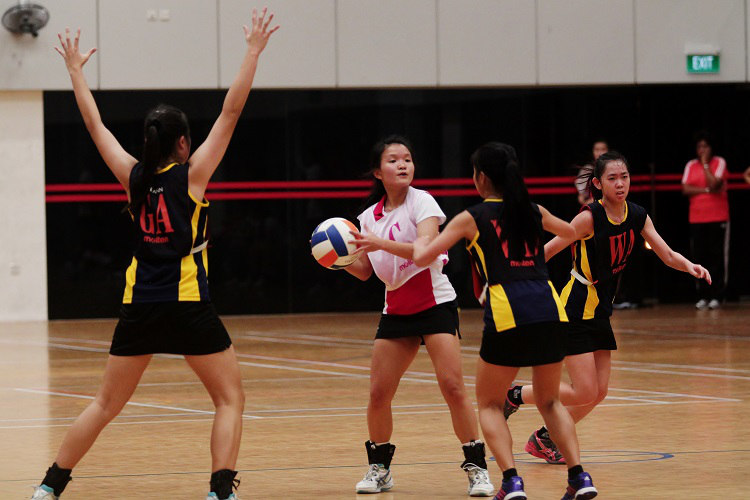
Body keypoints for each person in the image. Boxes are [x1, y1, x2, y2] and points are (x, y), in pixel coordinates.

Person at [33, 11, 278, 500]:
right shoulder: (192, 175)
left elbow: (94, 124)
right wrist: (253, 50)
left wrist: (76, 72)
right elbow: (231, 112)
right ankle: (220, 491)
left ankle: (48, 487)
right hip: (189, 303)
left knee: (104, 404)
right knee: (230, 399)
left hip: (140, 303)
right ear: (184, 142)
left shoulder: (132, 176)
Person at [411, 142, 598, 500]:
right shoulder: (533, 211)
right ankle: (579, 476)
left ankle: (512, 480)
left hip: (509, 310)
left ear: (480, 177)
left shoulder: (472, 217)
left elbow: (423, 257)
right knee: (550, 401)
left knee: (491, 404)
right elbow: (574, 233)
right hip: (549, 308)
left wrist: (386, 242)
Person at [503, 151, 711, 467]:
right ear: (598, 184)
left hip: (600, 309)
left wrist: (690, 265)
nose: (619, 184)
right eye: (612, 178)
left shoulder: (637, 215)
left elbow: (666, 253)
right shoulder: (589, 217)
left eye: (624, 177)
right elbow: (551, 248)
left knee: (598, 393)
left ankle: (545, 438)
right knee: (583, 389)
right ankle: (515, 395)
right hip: (574, 307)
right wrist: (518, 276)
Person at [342, 135, 494, 496]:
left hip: (436, 304)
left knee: (453, 386)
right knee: (379, 393)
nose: (403, 165)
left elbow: (425, 251)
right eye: (393, 160)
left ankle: (477, 469)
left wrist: (379, 244)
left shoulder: (422, 201)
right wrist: (336, 259)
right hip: (396, 311)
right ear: (378, 172)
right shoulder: (367, 218)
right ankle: (379, 468)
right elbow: (364, 270)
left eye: (407, 159)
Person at [681, 131, 730, 310]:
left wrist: (706, 165)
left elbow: (716, 183)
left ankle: (718, 295)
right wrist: (707, 191)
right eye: (699, 146)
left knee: (717, 256)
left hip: (717, 216)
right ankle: (703, 295)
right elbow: (685, 188)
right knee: (699, 256)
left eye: (705, 146)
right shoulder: (690, 165)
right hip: (697, 217)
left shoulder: (719, 162)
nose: (702, 150)